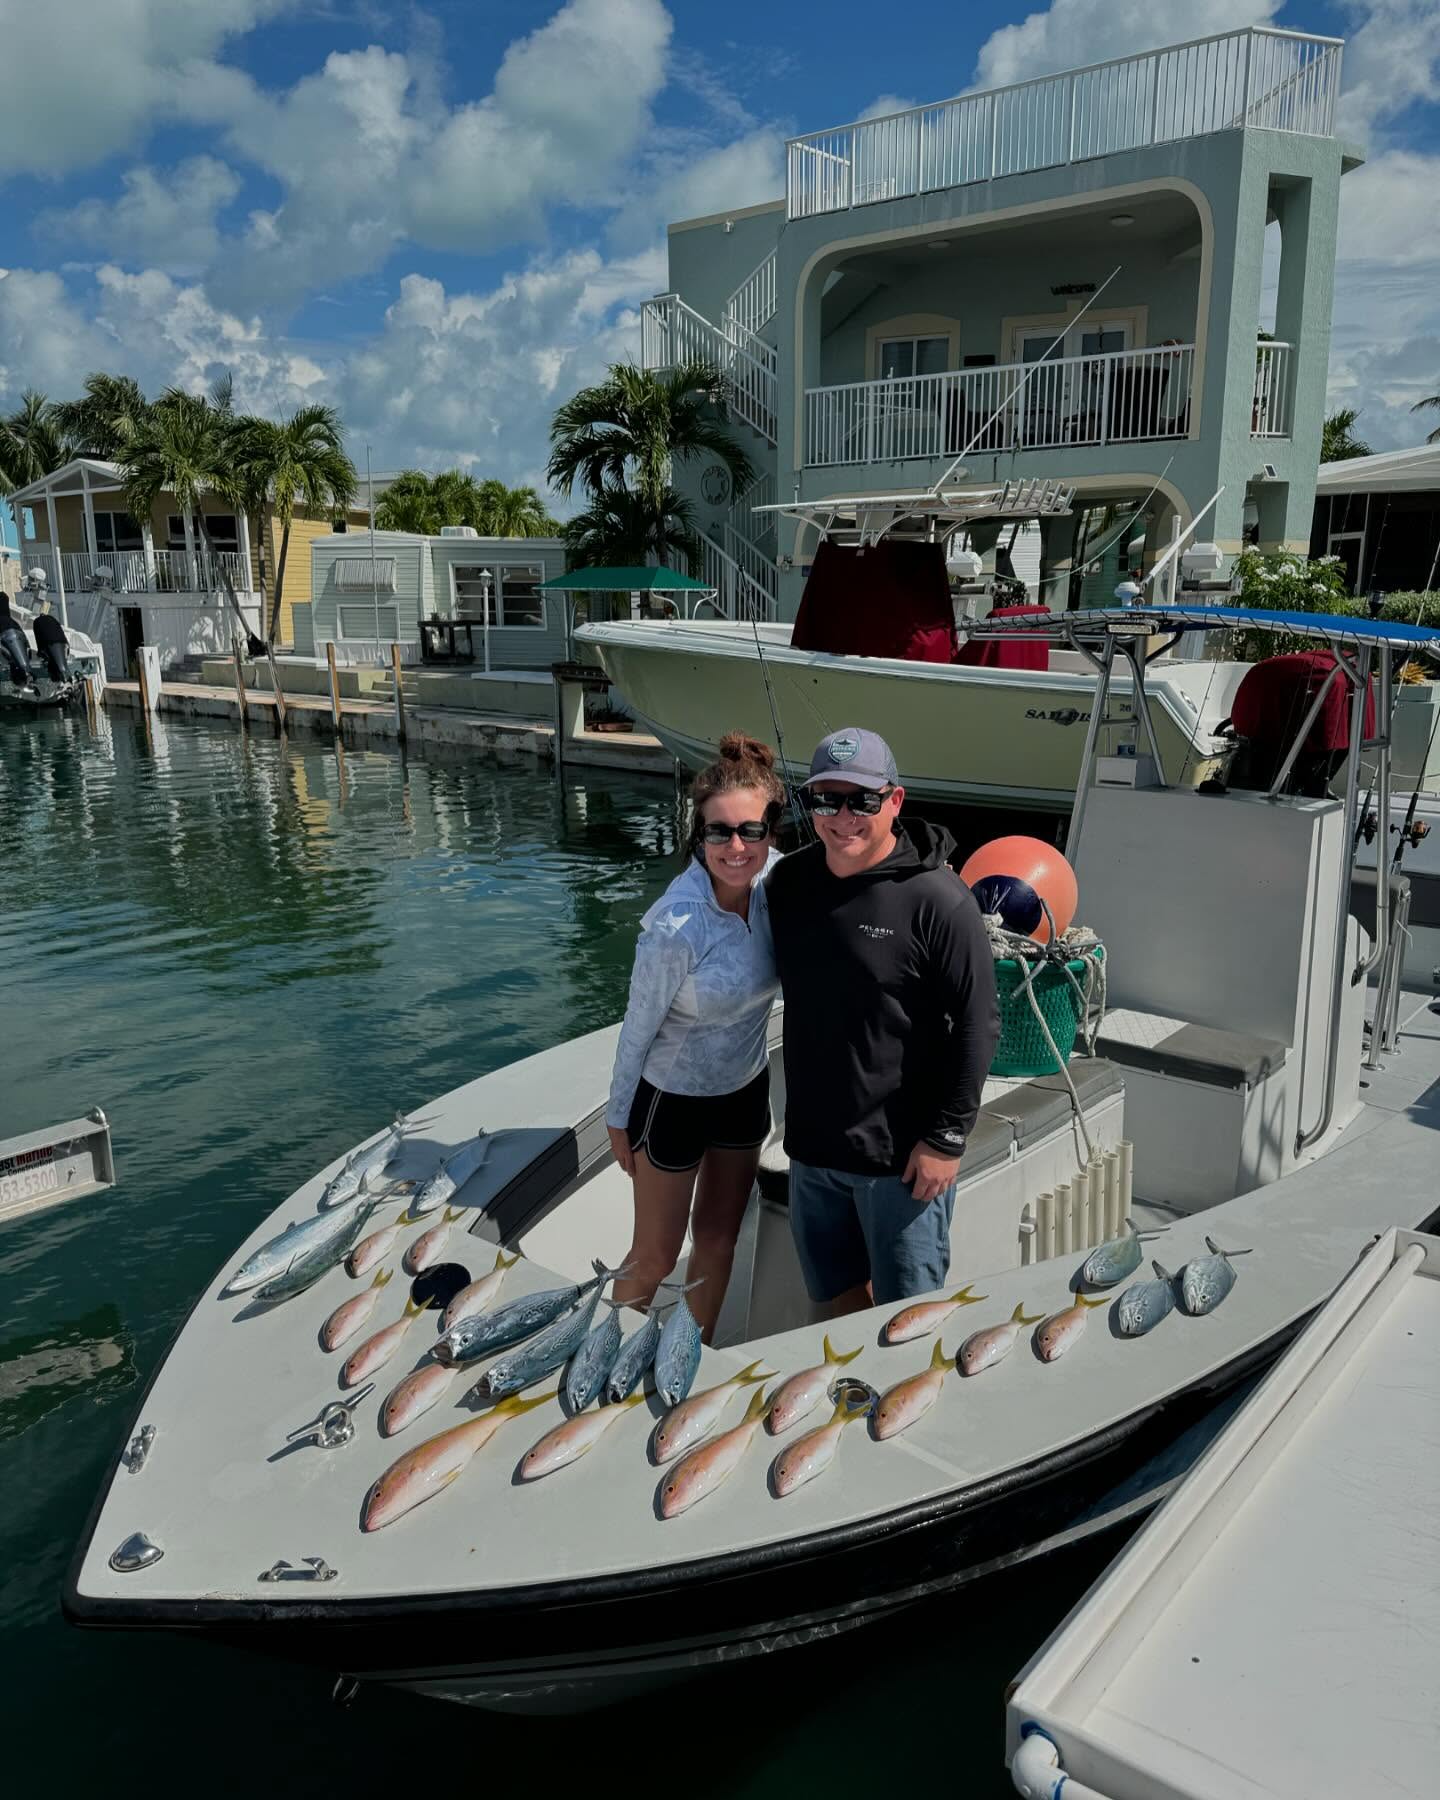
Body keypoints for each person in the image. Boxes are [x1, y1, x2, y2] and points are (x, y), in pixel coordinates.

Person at [767, 726, 999, 1314]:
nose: (843, 816)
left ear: (894, 801)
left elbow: (979, 1023)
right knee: (833, 1308)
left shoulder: (940, 899)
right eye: (826, 798)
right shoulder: (788, 883)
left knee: (907, 1324)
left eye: (862, 799)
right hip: (812, 1153)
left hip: (902, 1163)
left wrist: (946, 1139)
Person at [607, 732, 783, 1340]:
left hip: (743, 1090)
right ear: (698, 837)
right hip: (672, 1098)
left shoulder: (777, 889)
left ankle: (688, 1356)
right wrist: (618, 1116)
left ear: (770, 832)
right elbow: (638, 1027)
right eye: (719, 833)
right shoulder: (674, 928)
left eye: (751, 831)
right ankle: (600, 1355)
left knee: (717, 1241)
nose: (736, 847)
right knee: (655, 1257)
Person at [0, 591, 36, 690]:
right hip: (6, 628)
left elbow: (27, 645)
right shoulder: (10, 659)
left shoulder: (27, 659)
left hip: (13, 626)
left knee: (3, 602)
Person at [31, 599, 70, 684]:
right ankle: (60, 676)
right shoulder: (50, 619)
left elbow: (39, 641)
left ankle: (59, 675)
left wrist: (40, 653)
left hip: (59, 643)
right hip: (61, 641)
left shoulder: (37, 622)